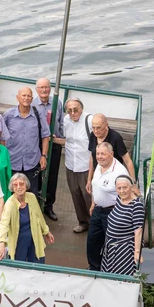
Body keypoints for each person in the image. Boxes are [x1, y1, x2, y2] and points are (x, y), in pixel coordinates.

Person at [52, 97, 93, 233]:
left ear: (81, 108)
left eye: (76, 109)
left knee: (89, 195)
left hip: (86, 165)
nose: (73, 112)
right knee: (75, 194)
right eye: (69, 110)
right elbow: (68, 141)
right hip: (71, 164)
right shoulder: (66, 120)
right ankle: (83, 222)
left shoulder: (89, 120)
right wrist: (53, 140)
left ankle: (95, 224)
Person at [86, 142, 129, 271]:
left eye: (103, 154)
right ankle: (94, 267)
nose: (99, 157)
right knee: (92, 240)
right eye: (98, 154)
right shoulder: (99, 166)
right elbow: (96, 185)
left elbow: (127, 195)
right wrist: (93, 203)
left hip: (112, 212)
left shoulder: (120, 173)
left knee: (112, 243)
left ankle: (111, 270)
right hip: (98, 210)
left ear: (111, 154)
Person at [0, 173, 55, 263]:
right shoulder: (10, 203)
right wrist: (1, 243)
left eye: (21, 184)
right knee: (20, 268)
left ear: (26, 185)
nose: (19, 187)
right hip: (19, 242)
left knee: (37, 265)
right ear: (12, 187)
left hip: (34, 239)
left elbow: (39, 216)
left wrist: (46, 232)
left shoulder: (31, 197)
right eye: (15, 185)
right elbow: (4, 224)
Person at [3, 87, 50, 194]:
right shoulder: (8, 115)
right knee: (12, 194)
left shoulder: (38, 114)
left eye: (29, 96)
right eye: (23, 95)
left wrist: (43, 155)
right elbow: (1, 137)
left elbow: (45, 136)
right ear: (17, 98)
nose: (26, 98)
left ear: (32, 98)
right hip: (12, 162)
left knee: (32, 194)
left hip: (32, 163)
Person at [32, 77, 64, 221]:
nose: (44, 90)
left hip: (54, 142)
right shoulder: (32, 105)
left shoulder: (57, 103)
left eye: (47, 87)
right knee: (37, 173)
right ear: (36, 89)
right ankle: (36, 204)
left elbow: (61, 121)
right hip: (38, 144)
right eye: (41, 87)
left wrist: (61, 137)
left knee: (53, 175)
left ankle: (48, 206)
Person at [101, 175, 144, 276]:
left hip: (123, 250)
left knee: (120, 279)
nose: (122, 191)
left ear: (132, 188)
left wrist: (137, 252)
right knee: (107, 276)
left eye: (125, 187)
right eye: (119, 188)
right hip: (110, 247)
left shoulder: (136, 206)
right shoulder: (119, 199)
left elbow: (138, 231)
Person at [86, 113, 136, 194]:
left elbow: (128, 161)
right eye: (93, 128)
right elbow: (92, 157)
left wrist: (133, 183)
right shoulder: (93, 135)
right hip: (98, 173)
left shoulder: (115, 138)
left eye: (99, 128)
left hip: (113, 176)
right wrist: (89, 180)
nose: (96, 131)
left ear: (106, 125)